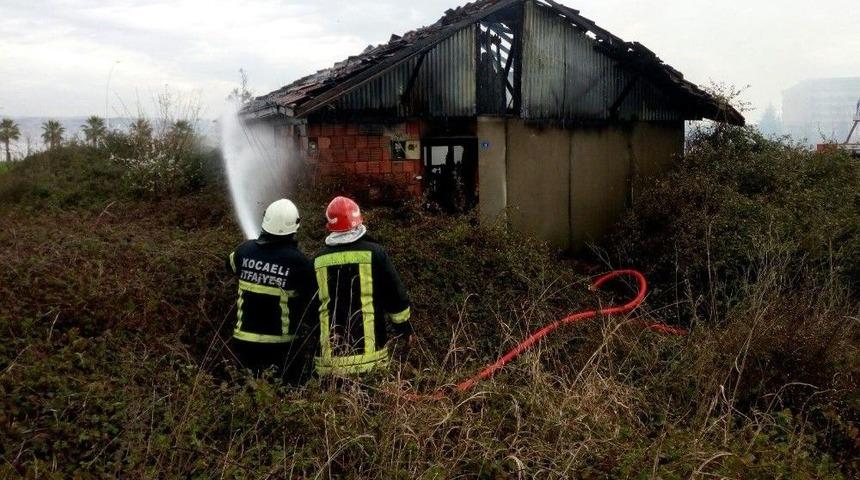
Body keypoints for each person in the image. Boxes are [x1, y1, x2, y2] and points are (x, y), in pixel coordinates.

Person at [312, 196, 414, 376]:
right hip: (371, 360)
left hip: (330, 364)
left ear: (329, 227)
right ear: (358, 221)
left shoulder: (317, 260)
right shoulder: (375, 253)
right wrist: (404, 328)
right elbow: (395, 295)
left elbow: (309, 307)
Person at [227, 199, 317, 384]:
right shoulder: (298, 262)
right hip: (280, 344)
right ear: (295, 226)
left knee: (247, 391)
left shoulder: (244, 251)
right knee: (280, 392)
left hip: (243, 341)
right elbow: (312, 297)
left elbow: (230, 266)